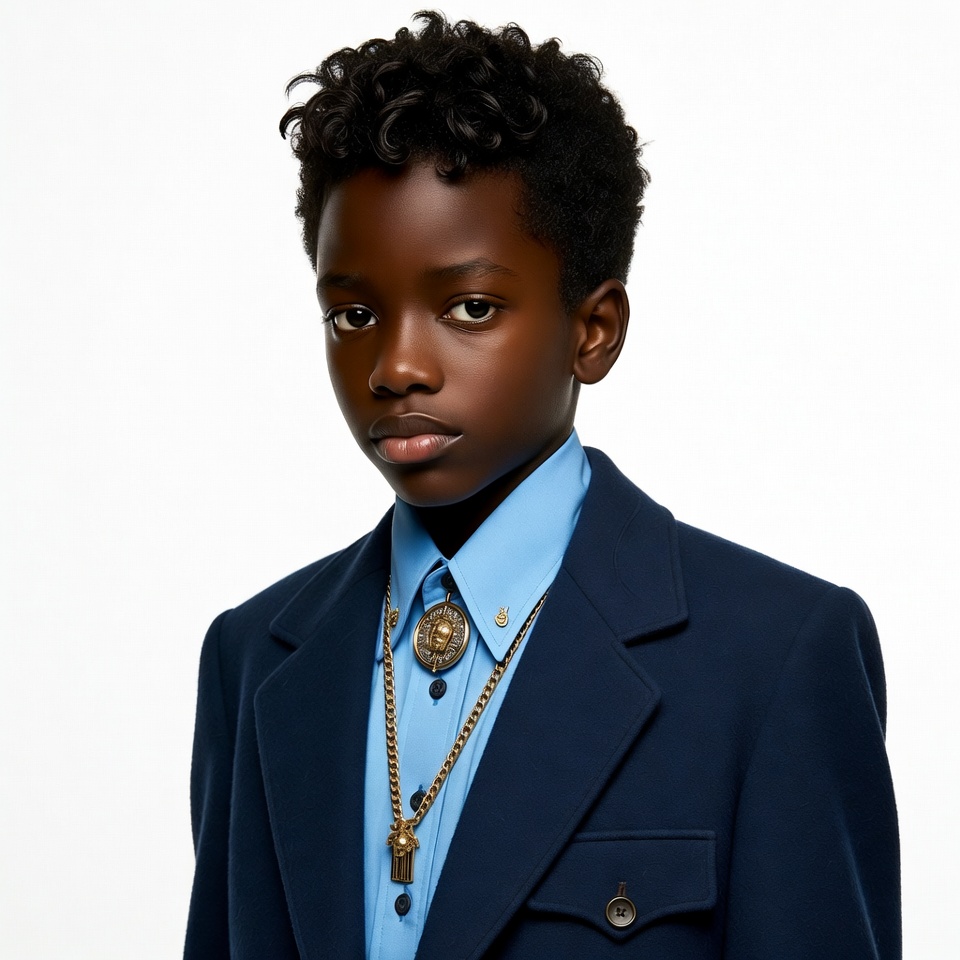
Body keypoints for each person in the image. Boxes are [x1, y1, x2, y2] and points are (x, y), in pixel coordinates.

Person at [184, 12, 900, 959]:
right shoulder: (254, 660)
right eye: (353, 312)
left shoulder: (774, 660)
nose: (396, 365)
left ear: (594, 329)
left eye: (469, 307)